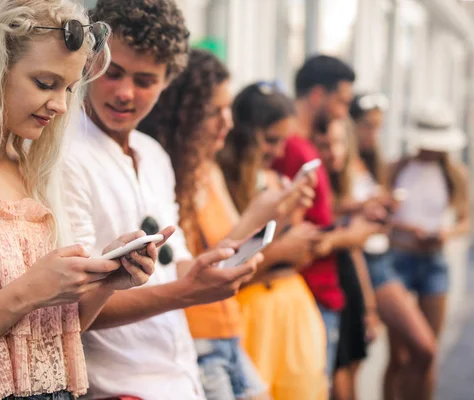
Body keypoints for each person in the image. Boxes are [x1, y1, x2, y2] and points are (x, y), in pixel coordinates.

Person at [0, 1, 163, 399]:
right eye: (45, 84)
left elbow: (40, 346)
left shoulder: (30, 167)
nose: (61, 106)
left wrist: (106, 283)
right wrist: (26, 293)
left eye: (68, 88)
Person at [61, 2, 261, 399]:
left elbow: (175, 264)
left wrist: (215, 267)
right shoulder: (64, 154)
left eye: (145, 80)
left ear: (168, 80)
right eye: (112, 72)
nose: (124, 93)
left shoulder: (153, 154)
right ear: (89, 62)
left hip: (180, 376)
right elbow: (74, 307)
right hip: (114, 387)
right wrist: (189, 291)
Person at [138, 51, 319, 400]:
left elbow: (239, 254)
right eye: (214, 112)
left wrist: (279, 213)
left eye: (228, 110)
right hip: (199, 337)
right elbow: (194, 269)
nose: (227, 122)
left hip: (229, 329)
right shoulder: (172, 177)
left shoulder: (210, 171)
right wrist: (258, 216)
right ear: (184, 115)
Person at [218, 81, 329, 400]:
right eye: (271, 140)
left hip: (292, 309)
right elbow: (221, 269)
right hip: (248, 317)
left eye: (283, 141)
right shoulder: (216, 182)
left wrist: (292, 224)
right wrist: (280, 250)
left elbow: (300, 255)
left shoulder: (275, 181)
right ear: (244, 132)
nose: (279, 152)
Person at [272, 55, 377, 381]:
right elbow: (292, 236)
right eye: (342, 102)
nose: (343, 113)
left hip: (317, 291)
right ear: (318, 95)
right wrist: (352, 236)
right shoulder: (295, 149)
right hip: (310, 292)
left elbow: (315, 218)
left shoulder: (303, 147)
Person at [348, 93, 442, 400]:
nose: (372, 134)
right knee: (359, 365)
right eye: (367, 126)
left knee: (423, 349)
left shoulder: (375, 162)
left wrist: (383, 212)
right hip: (362, 261)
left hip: (382, 258)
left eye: (378, 127)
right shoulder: (342, 158)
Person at [386, 102, 470, 400]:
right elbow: (382, 214)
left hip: (434, 262)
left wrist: (446, 233)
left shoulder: (454, 173)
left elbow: (464, 219)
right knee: (398, 356)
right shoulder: (397, 168)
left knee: (427, 353)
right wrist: (409, 229)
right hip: (399, 258)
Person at [312, 117, 381, 400]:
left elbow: (353, 251)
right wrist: (353, 232)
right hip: (325, 289)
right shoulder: (315, 185)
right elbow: (322, 243)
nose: (334, 152)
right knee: (337, 378)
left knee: (352, 369)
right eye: (325, 145)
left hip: (347, 285)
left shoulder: (341, 186)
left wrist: (369, 305)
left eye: (340, 143)